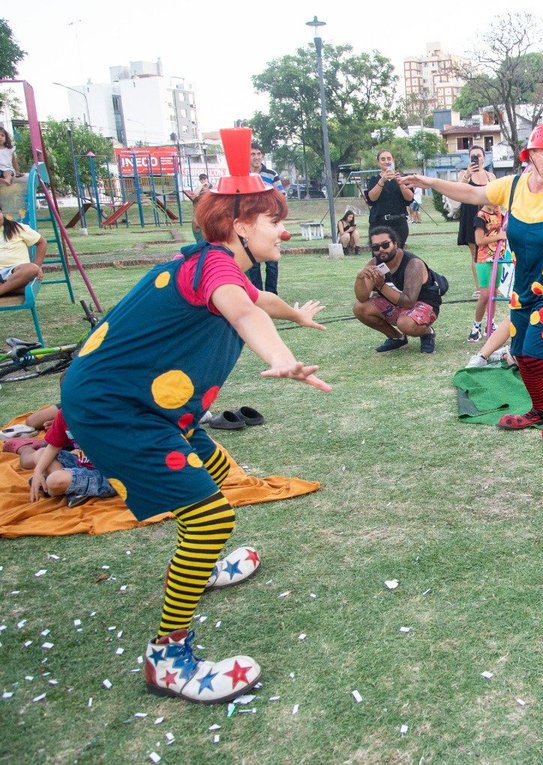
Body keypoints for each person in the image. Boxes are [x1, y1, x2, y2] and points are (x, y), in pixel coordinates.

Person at [58, 127, 329, 704]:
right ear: (239, 227)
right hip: (117, 412)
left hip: (137, 406)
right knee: (208, 517)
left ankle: (198, 569)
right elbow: (242, 309)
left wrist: (296, 318)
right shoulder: (213, 271)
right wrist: (281, 355)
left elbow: (257, 301)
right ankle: (168, 660)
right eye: (272, 218)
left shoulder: (219, 267)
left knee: (218, 468)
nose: (284, 228)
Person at [403, 124, 543, 443]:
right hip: (524, 290)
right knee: (518, 350)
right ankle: (540, 410)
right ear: (530, 155)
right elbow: (471, 194)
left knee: (536, 353)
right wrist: (428, 181)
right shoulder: (512, 188)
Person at [352, 226, 440, 353]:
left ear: (395, 244)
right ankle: (397, 338)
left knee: (405, 323)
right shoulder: (375, 263)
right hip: (397, 305)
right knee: (360, 308)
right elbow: (362, 297)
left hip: (423, 305)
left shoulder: (413, 264)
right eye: (376, 247)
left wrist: (381, 286)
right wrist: (360, 278)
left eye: (385, 245)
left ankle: (427, 333)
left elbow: (409, 302)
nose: (381, 250)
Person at [28, 410, 117, 508]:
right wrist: (37, 471)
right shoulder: (66, 412)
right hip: (83, 464)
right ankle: (73, 490)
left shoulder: (108, 411)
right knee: (40, 454)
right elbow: (53, 446)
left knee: (53, 480)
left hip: (107, 475)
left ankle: (59, 487)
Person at [245, 143, 284, 294]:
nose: (256, 157)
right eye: (252, 154)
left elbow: (281, 196)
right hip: (250, 224)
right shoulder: (243, 175)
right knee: (253, 261)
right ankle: (258, 295)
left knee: (272, 261)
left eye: (258, 154)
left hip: (269, 222)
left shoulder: (271, 174)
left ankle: (272, 295)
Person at [456, 146, 495, 291]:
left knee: (490, 251)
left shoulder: (491, 176)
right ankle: (479, 288)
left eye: (479, 155)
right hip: (470, 214)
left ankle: (491, 286)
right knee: (475, 253)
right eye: (473, 156)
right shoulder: (464, 174)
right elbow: (457, 191)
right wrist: (467, 175)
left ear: (484, 157)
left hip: (488, 216)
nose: (476, 158)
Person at [469, 204, 507, 342]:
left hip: (498, 258)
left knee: (494, 293)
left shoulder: (499, 214)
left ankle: (490, 324)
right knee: (485, 294)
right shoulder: (480, 216)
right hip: (484, 260)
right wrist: (499, 236)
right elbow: (479, 241)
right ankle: (476, 326)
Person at [365, 149, 413, 248]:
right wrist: (382, 180)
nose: (386, 161)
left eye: (389, 158)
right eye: (383, 159)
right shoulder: (374, 180)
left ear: (393, 160)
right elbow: (372, 198)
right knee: (381, 255)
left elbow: (409, 198)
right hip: (379, 224)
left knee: (398, 256)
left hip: (399, 223)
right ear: (378, 162)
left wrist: (399, 181)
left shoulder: (402, 178)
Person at [0, 202, 47, 299]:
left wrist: (38, 266)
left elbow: (42, 242)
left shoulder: (17, 228)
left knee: (32, 268)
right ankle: (12, 288)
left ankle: (5, 289)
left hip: (17, 272)